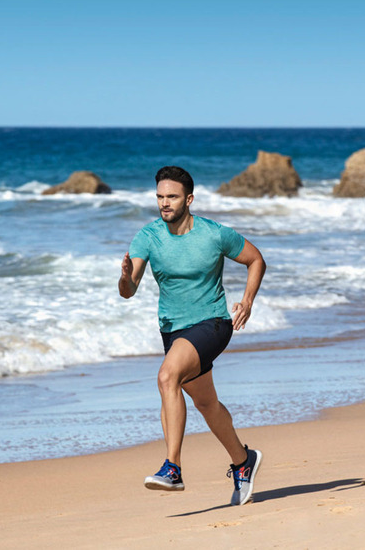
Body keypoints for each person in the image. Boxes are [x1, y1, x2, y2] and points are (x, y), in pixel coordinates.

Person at [119, 165, 267, 506]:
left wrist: (247, 301)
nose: (164, 203)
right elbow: (129, 290)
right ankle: (244, 462)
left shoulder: (214, 234)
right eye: (159, 197)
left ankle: (173, 468)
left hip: (213, 323)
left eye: (171, 197)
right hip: (173, 329)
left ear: (189, 198)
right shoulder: (148, 236)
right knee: (205, 403)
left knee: (167, 376)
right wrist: (125, 277)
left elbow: (255, 259)